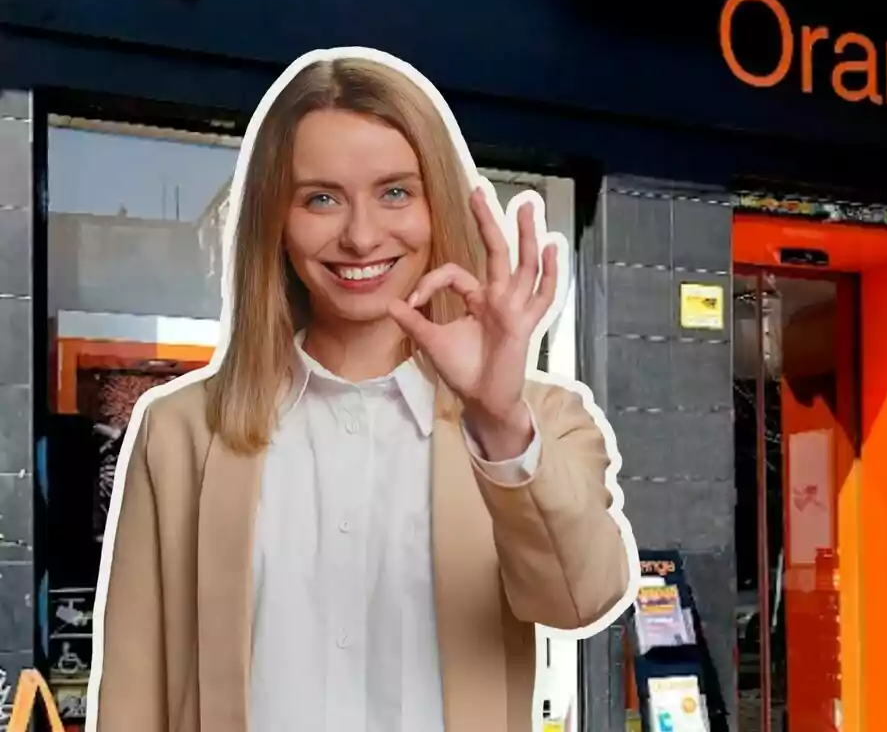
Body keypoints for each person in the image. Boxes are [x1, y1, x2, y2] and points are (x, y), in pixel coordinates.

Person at [89, 52, 634, 732]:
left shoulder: (539, 423)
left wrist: (497, 421)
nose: (362, 235)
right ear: (276, 223)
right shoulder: (180, 431)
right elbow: (134, 697)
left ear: (438, 207)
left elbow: (581, 599)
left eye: (396, 192)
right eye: (320, 197)